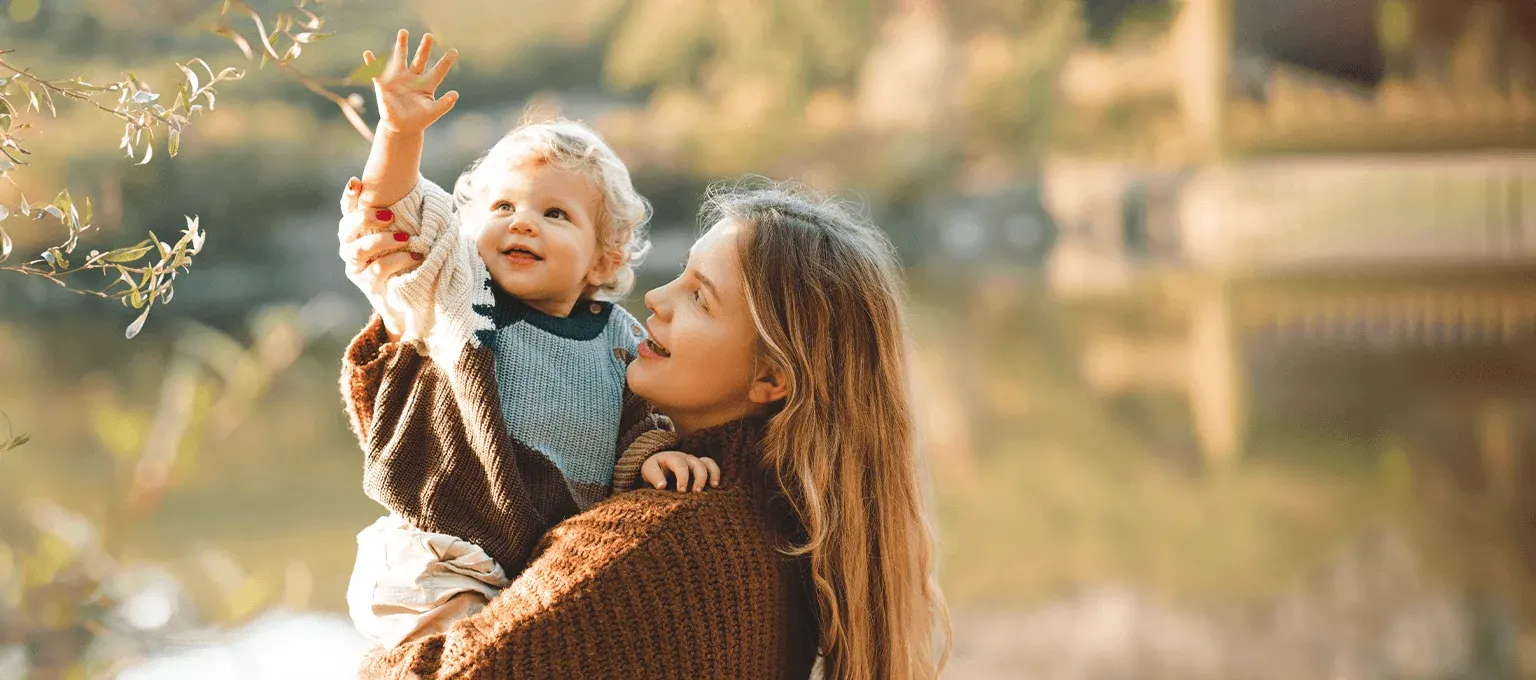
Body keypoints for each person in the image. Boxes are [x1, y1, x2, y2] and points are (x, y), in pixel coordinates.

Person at [338, 177, 953, 678]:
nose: (657, 297)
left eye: (700, 299)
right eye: (680, 275)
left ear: (772, 378)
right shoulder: (778, 523)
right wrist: (413, 329)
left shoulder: (655, 541)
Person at [338, 30, 712, 648]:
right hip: (438, 557)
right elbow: (395, 216)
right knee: (470, 658)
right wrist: (400, 135)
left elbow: (640, 425)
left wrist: (655, 458)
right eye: (503, 206)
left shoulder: (620, 337)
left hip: (533, 567)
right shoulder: (456, 294)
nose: (522, 222)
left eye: (554, 214)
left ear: (605, 256)